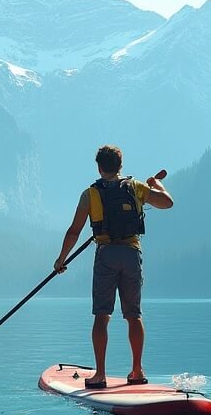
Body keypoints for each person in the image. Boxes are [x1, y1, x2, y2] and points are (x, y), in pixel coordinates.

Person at [54, 145, 173, 388]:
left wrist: (61, 259)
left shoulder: (90, 194)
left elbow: (74, 231)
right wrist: (155, 185)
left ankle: (100, 375)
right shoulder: (136, 187)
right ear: (120, 166)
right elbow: (167, 203)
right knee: (134, 315)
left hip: (106, 254)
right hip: (131, 254)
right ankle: (137, 371)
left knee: (101, 315)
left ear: (99, 167)